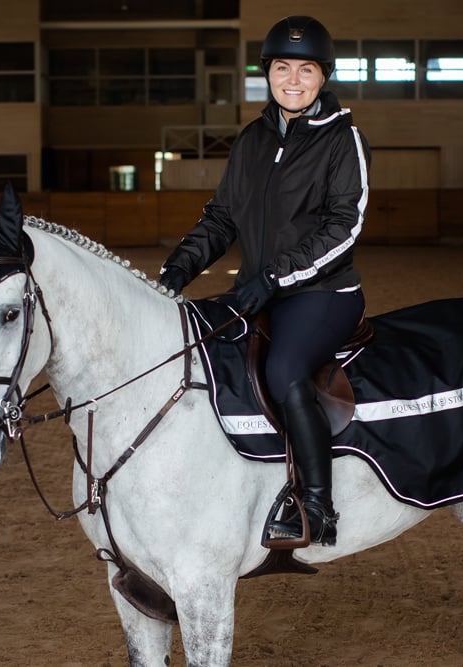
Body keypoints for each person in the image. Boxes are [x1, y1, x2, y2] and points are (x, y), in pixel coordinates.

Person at [158, 15, 370, 547]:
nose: (293, 80)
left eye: (305, 69)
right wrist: (177, 269)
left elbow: (345, 226)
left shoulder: (344, 139)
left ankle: (316, 505)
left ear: (324, 75)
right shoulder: (251, 140)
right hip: (257, 291)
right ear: (267, 73)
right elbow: (222, 217)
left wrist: (275, 277)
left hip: (322, 294)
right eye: (282, 68)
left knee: (284, 369)